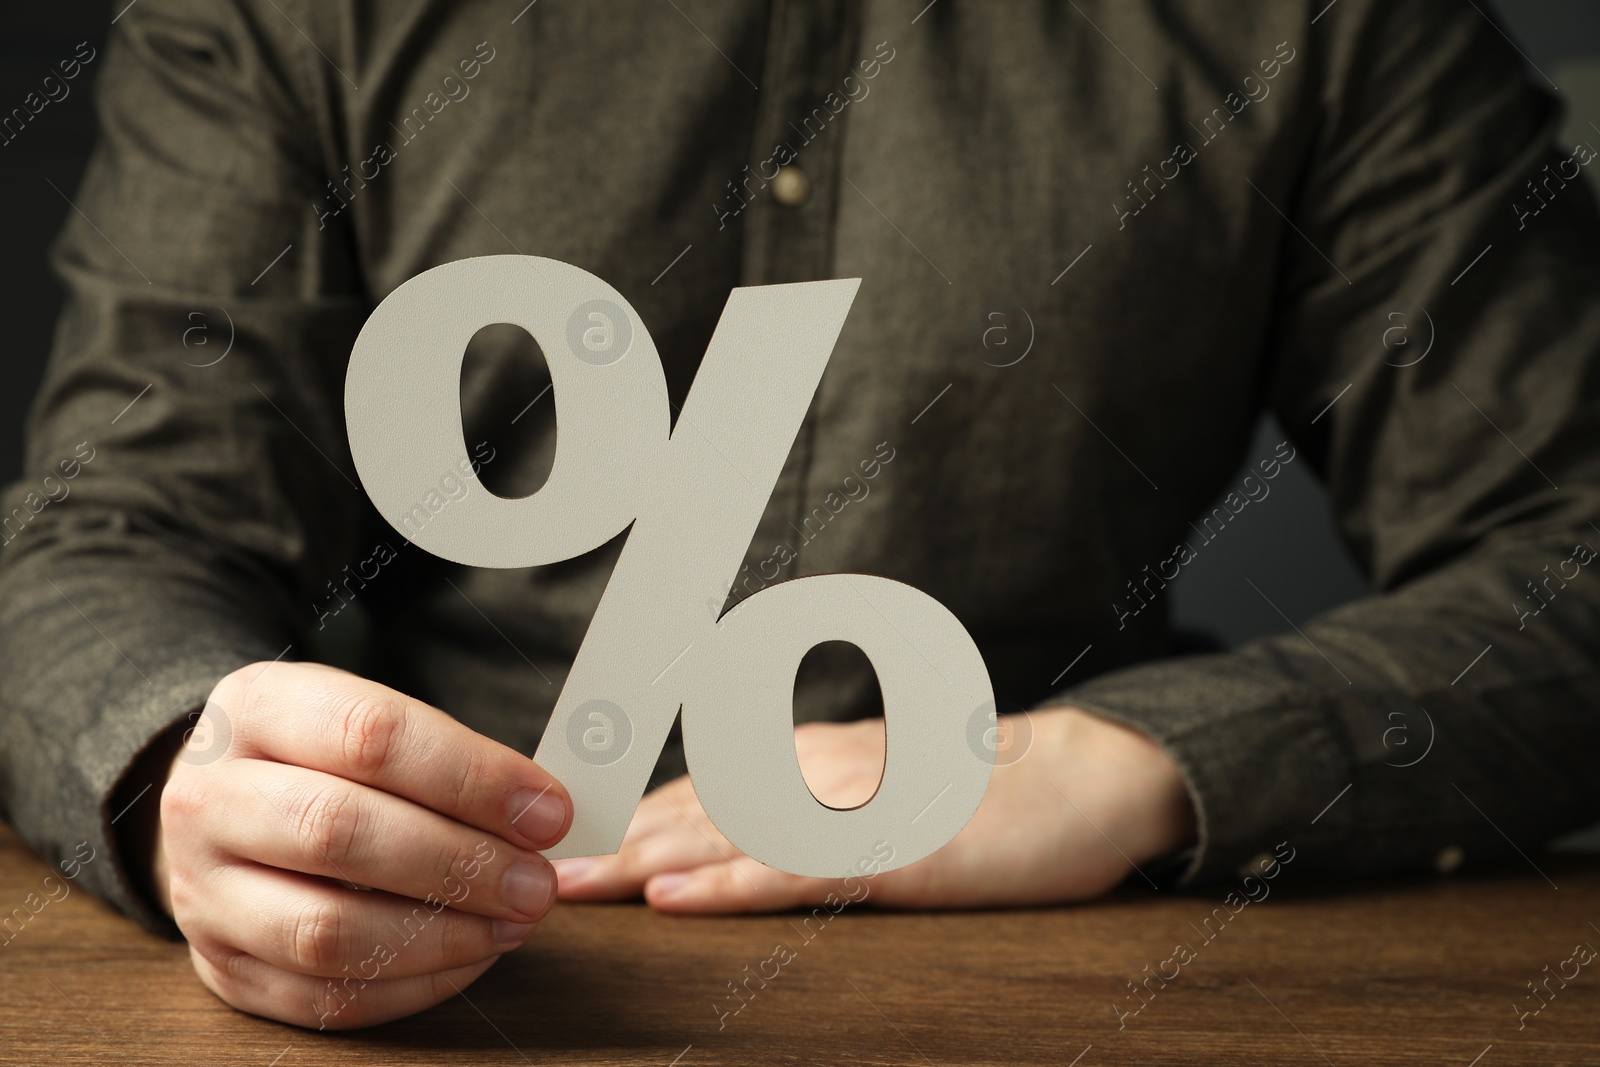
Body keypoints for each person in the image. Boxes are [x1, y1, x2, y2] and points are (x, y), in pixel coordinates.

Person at [2, 0, 1597, 1032]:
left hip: (1066, 969)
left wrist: (1127, 765)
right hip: (464, 960)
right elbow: (108, 533)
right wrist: (182, 777)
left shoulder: (1337, 27)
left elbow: (1571, 552)